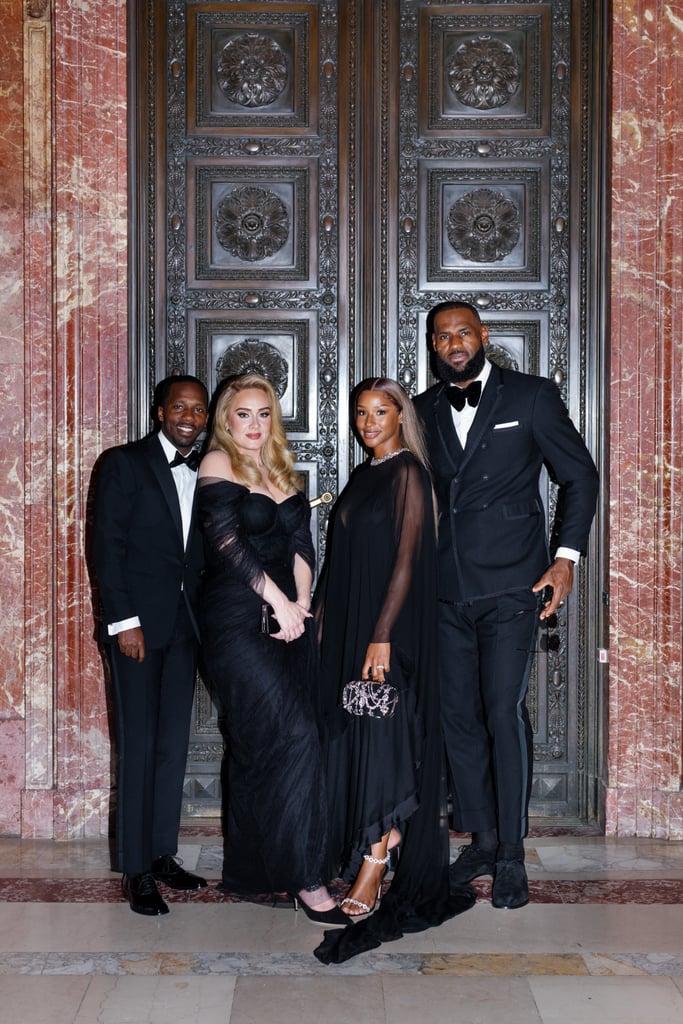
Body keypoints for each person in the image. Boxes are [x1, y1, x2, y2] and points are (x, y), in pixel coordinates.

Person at [414, 300, 599, 911]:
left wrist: (565, 558)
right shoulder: (422, 411)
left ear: (483, 336)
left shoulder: (532, 397)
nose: (454, 344)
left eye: (463, 332)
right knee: (458, 718)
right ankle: (484, 839)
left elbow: (579, 476)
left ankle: (513, 855)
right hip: (443, 590)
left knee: (501, 709)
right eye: (443, 337)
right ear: (434, 346)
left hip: (513, 588)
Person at [313, 377, 475, 965]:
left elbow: (407, 562)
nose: (368, 421)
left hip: (391, 632)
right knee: (362, 733)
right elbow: (341, 557)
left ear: (401, 416)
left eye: (380, 411)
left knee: (385, 738)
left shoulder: (409, 474)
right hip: (353, 630)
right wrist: (325, 621)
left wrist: (380, 636)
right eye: (361, 412)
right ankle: (377, 837)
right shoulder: (363, 475)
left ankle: (377, 858)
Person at [196, 373, 346, 925]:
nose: (254, 425)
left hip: (292, 617)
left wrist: (302, 602)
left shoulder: (282, 469)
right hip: (239, 617)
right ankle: (308, 878)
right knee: (294, 735)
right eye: (243, 414)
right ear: (226, 419)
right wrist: (278, 602)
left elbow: (302, 542)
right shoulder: (218, 463)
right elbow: (227, 545)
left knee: (271, 743)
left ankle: (259, 869)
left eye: (263, 414)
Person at [92, 375, 210, 915]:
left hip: (187, 628)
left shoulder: (208, 467)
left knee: (171, 748)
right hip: (137, 630)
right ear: (160, 410)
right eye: (180, 406)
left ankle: (163, 852)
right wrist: (124, 622)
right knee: (138, 747)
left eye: (199, 409)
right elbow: (106, 548)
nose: (189, 416)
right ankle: (136, 870)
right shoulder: (123, 463)